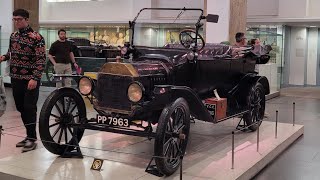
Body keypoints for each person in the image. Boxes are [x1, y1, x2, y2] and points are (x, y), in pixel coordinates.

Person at [0, 9, 46, 152]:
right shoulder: (13, 36)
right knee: (20, 108)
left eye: (19, 19)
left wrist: (35, 78)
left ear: (26, 20)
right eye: (14, 19)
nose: (16, 22)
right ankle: (29, 135)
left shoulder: (37, 37)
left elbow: (41, 60)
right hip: (16, 78)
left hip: (30, 80)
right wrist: (4, 57)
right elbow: (11, 53)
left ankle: (32, 139)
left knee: (29, 108)